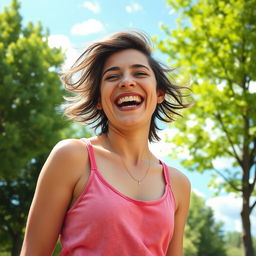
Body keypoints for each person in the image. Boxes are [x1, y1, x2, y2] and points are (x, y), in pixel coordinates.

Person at [20, 31, 191, 256]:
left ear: (159, 93)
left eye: (140, 73)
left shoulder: (178, 184)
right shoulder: (72, 157)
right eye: (112, 76)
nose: (127, 81)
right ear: (99, 100)